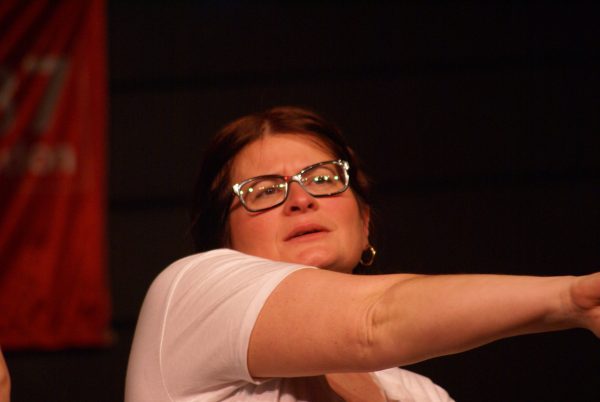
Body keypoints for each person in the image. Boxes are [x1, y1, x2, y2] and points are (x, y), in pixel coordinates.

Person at [125, 106, 599, 401]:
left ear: (364, 221)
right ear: (222, 242)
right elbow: (374, 321)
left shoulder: (419, 395)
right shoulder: (186, 298)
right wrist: (573, 299)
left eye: (323, 178)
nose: (300, 199)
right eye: (264, 190)